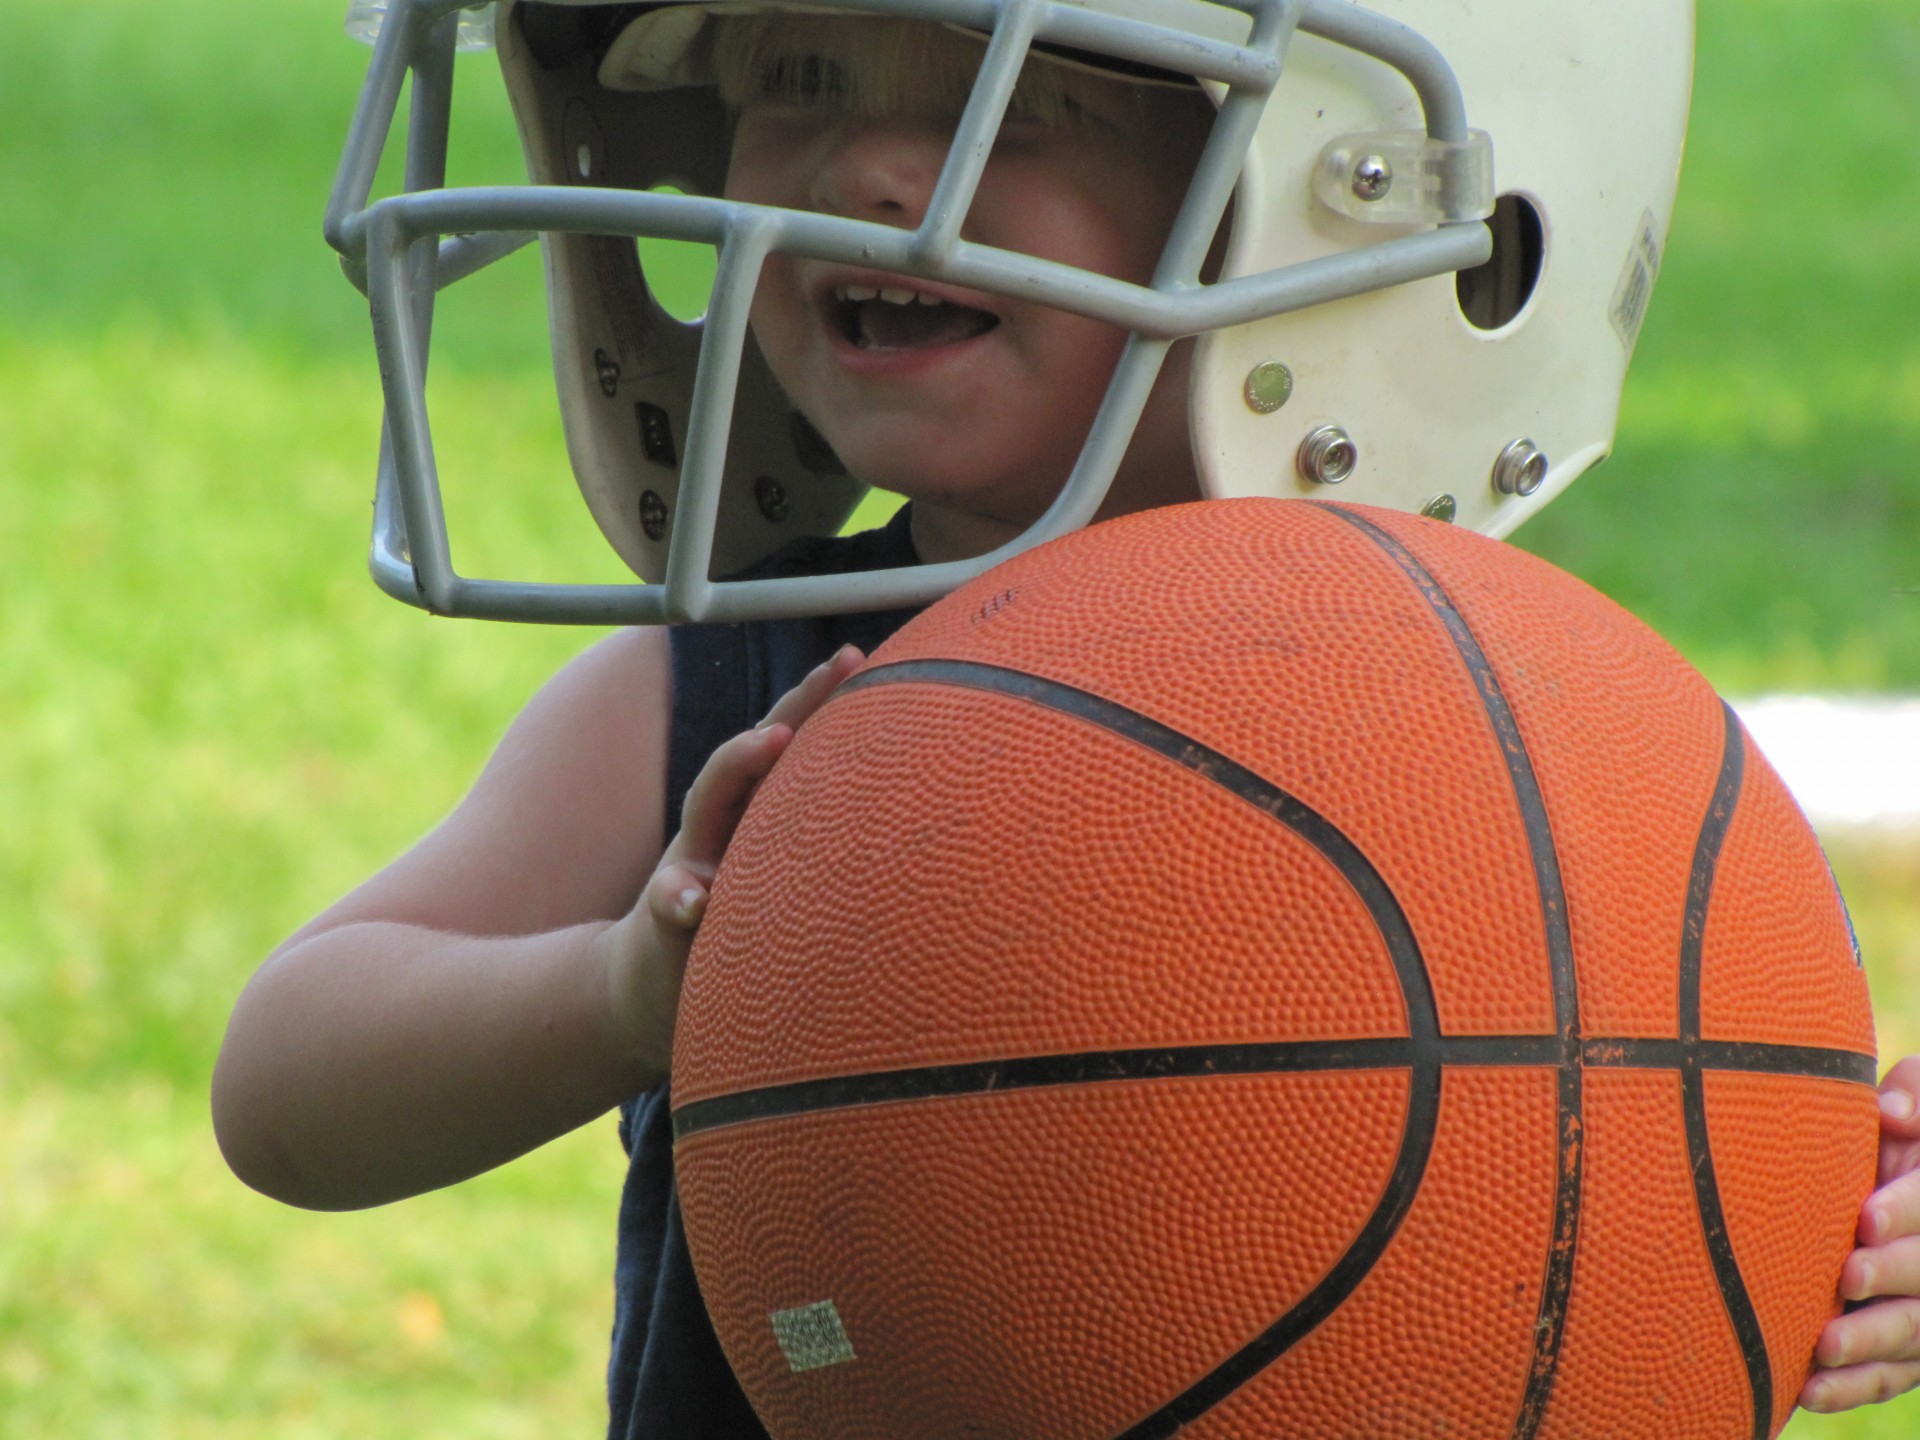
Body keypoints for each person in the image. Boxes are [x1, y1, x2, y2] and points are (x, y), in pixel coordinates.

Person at [213, 1, 1920, 1433]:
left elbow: (1674, 1115)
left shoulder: (1537, 735)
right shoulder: (718, 696)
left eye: (1015, 101)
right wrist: (614, 997)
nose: (865, 172)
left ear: (1338, 189)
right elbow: (284, 1080)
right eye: (798, 81)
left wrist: (1853, 1204)